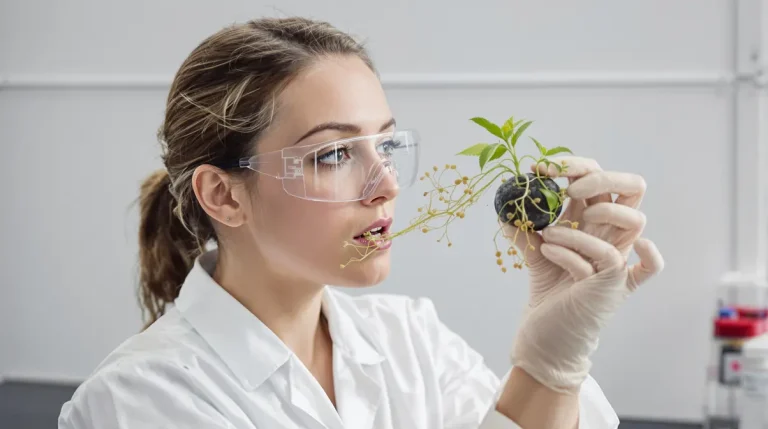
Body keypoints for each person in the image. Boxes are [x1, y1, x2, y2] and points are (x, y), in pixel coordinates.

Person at [58, 16, 664, 429]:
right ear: (224, 195)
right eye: (333, 154)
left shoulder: (411, 340)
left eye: (386, 145)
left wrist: (556, 364)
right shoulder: (139, 400)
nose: (388, 185)